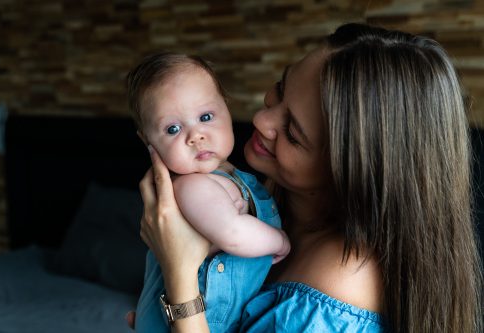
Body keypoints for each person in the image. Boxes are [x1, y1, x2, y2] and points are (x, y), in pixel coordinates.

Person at [132, 23, 483, 332]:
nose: (261, 120)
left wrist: (179, 278)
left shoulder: (336, 287)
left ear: (347, 172)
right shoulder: (271, 195)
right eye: (280, 89)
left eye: (293, 132)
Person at [126, 52, 291, 333]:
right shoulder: (192, 186)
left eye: (205, 116)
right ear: (147, 140)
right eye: (173, 128)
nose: (195, 136)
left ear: (226, 108)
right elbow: (233, 234)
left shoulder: (232, 176)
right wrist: (280, 242)